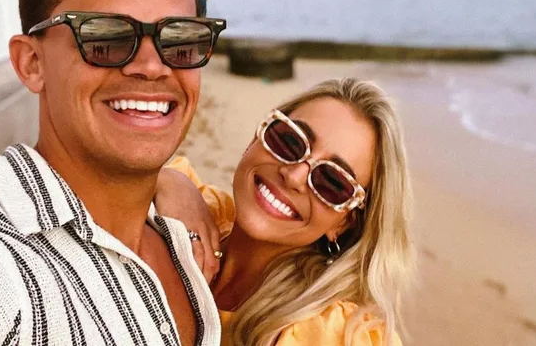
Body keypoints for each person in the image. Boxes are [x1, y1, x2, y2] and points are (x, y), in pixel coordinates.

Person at [0, 0, 226, 344]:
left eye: (179, 39)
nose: (153, 67)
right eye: (106, 37)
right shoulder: (4, 269)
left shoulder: (189, 244)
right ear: (32, 63)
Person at [157, 78, 414, 346]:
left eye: (333, 182)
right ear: (258, 136)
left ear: (345, 222)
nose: (293, 176)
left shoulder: (331, 333)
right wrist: (166, 181)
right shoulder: (197, 209)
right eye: (289, 141)